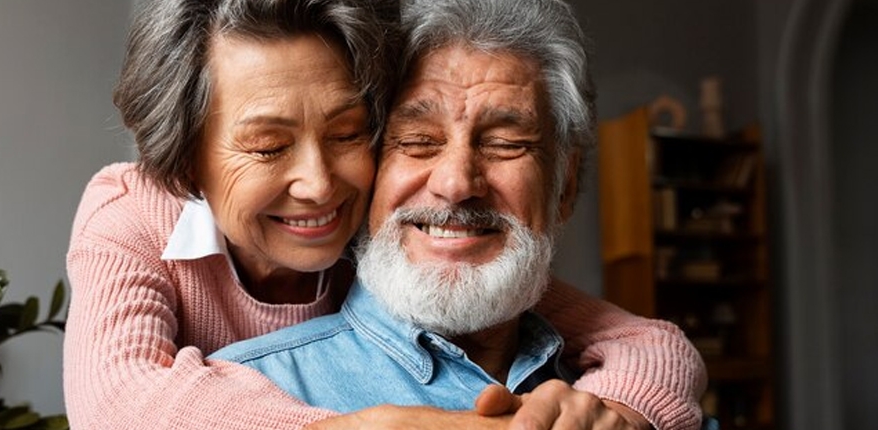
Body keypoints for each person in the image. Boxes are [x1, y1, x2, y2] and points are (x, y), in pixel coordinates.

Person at [63, 0, 705, 429]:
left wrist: (627, 410)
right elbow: (115, 399)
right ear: (184, 163)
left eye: (348, 134)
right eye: (266, 146)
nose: (318, 186)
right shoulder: (135, 212)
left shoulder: (363, 229)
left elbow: (644, 339)